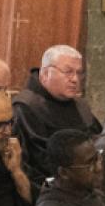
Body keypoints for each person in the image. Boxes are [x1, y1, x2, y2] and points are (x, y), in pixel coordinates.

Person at [11, 45, 99, 181]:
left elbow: (97, 141)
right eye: (68, 72)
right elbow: (35, 161)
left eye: (79, 73)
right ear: (45, 74)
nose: (75, 79)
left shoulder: (81, 106)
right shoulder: (26, 107)